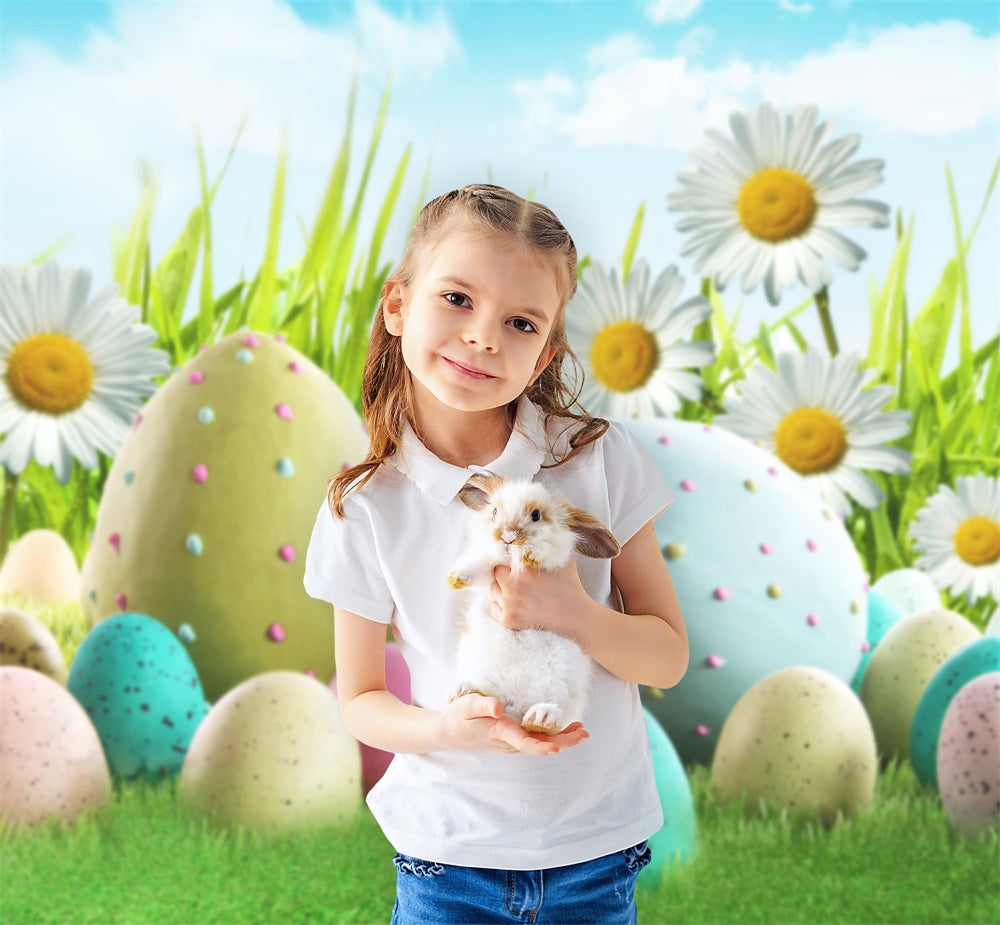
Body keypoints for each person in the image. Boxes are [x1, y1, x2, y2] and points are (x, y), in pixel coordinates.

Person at [304, 183, 688, 924]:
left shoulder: (596, 461)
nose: (483, 336)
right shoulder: (364, 506)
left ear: (544, 352)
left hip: (595, 853)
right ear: (397, 306)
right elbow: (359, 700)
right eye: (456, 299)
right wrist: (448, 729)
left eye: (519, 322)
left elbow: (666, 657)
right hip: (448, 855)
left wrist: (574, 612)